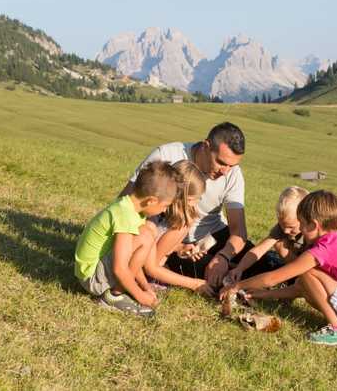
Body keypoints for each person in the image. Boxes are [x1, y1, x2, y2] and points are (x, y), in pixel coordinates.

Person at [221, 190, 337, 347]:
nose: (301, 230)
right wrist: (260, 294)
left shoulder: (323, 250)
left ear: (313, 225)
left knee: (306, 272)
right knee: (308, 281)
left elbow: (273, 278)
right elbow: (301, 289)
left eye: (302, 224)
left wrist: (237, 286)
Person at [120, 122, 277, 291]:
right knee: (218, 279)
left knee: (263, 266)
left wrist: (223, 257)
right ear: (206, 146)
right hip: (169, 234)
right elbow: (128, 200)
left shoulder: (233, 174)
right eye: (221, 162)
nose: (225, 171)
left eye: (232, 165)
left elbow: (238, 231)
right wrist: (154, 234)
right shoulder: (167, 155)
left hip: (211, 233)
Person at [75, 161, 179, 317]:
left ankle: (122, 289)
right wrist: (140, 296)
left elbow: (131, 259)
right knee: (145, 237)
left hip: (94, 271)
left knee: (147, 233)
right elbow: (120, 268)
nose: (164, 210)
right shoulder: (125, 216)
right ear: (151, 200)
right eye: (165, 206)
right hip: (92, 279)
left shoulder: (129, 207)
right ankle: (113, 297)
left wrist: (145, 286)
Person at [141, 160, 214, 295]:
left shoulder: (155, 212)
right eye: (193, 199)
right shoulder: (178, 224)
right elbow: (151, 267)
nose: (195, 204)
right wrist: (194, 284)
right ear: (180, 197)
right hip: (145, 272)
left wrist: (179, 247)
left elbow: (157, 244)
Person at [225, 186, 309, 300]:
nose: (285, 231)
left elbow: (304, 268)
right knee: (265, 261)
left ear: (305, 220)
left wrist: (283, 252)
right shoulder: (283, 228)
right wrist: (240, 268)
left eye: (291, 227)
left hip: (303, 273)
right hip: (287, 267)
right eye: (282, 225)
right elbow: (259, 250)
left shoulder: (311, 236)